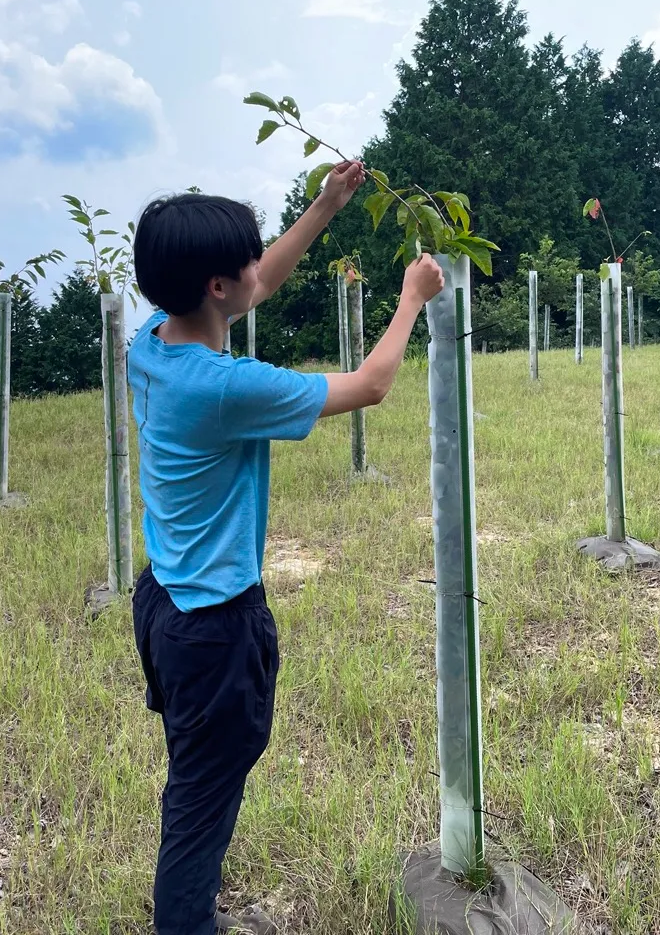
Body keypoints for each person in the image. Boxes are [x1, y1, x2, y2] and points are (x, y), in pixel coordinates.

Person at [127, 160, 445, 935]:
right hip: (215, 626)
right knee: (203, 799)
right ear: (214, 288)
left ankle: (190, 906)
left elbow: (258, 282)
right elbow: (370, 385)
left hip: (165, 601)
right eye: (243, 259)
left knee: (195, 780)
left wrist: (326, 206)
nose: (254, 266)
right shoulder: (226, 388)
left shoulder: (152, 344)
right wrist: (412, 300)